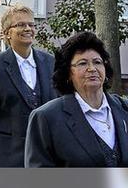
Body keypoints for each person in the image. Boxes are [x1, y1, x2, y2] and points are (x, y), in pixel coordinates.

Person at [25, 32, 128, 167]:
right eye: (82, 63)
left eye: (97, 62)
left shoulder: (124, 109)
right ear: (68, 73)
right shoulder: (46, 118)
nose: (92, 69)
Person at [0, 4, 58, 167]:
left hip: (44, 153)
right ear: (7, 33)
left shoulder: (50, 62)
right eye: (21, 25)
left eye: (31, 24)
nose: (28, 28)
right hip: (7, 152)